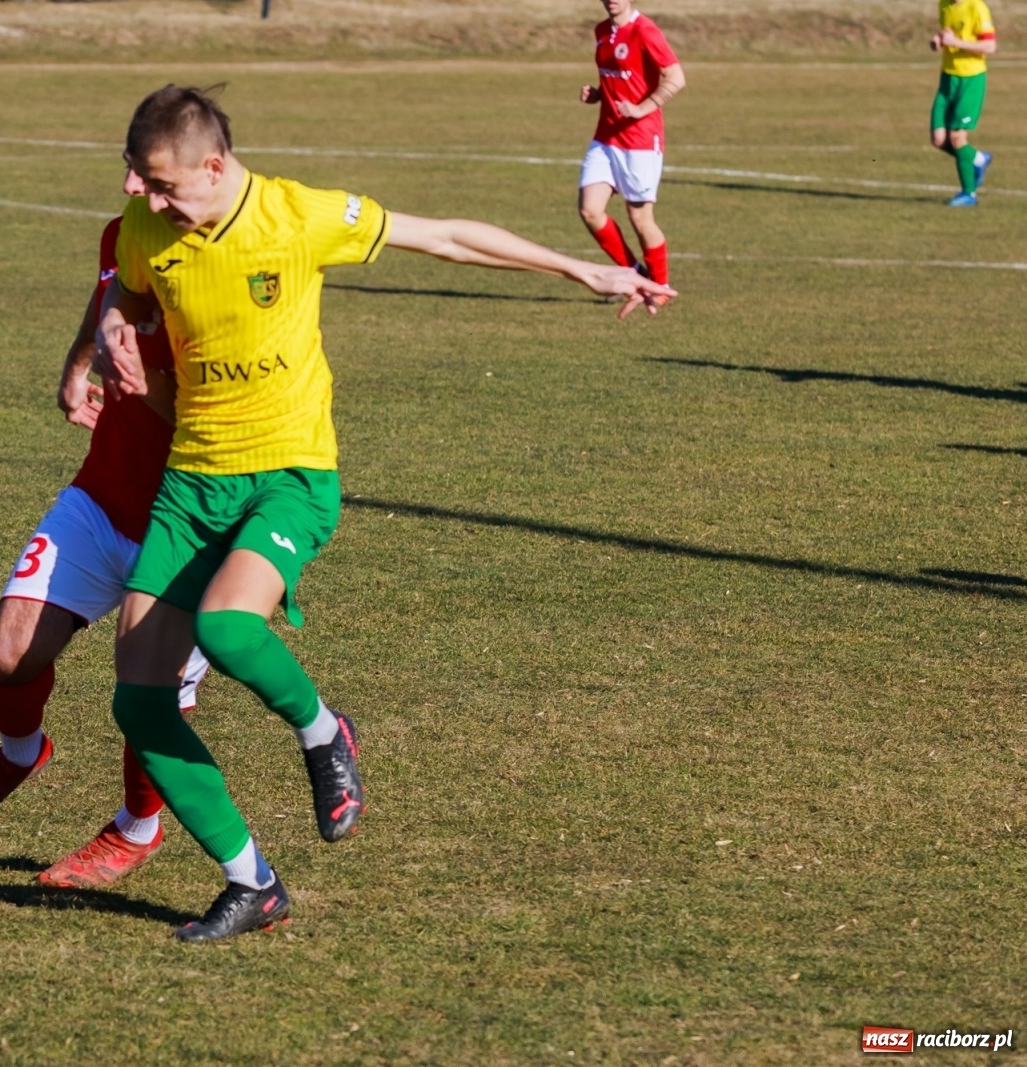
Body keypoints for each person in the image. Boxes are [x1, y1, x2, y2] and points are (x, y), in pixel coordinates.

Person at [95, 85, 673, 942]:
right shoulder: (151, 228)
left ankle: (327, 733)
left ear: (214, 167)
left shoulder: (297, 214)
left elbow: (442, 235)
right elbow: (132, 295)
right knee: (139, 705)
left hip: (287, 475)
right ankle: (252, 882)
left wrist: (580, 266)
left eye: (162, 184)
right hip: (191, 483)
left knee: (227, 629)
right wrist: (111, 327)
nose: (146, 199)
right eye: (139, 181)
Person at [0, 217, 213, 891]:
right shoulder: (126, 233)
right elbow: (108, 301)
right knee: (10, 651)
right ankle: (20, 754)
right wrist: (78, 366)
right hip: (102, 495)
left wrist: (139, 376)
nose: (130, 189)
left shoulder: (228, 272)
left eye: (145, 176)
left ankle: (137, 827)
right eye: (129, 168)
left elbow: (226, 416)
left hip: (193, 525)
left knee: (151, 692)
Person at [577, 0, 684, 298]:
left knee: (640, 219)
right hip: (606, 137)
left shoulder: (645, 31)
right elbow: (619, 78)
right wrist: (598, 95)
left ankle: (660, 287)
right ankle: (634, 275)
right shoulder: (601, 31)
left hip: (639, 141)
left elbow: (676, 77)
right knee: (590, 210)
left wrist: (642, 109)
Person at [930, 0, 995, 207]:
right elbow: (948, 34)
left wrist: (955, 43)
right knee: (939, 139)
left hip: (971, 80)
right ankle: (978, 158)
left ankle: (969, 194)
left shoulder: (977, 7)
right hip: (948, 79)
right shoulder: (944, 4)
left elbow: (989, 46)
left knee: (957, 137)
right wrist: (939, 40)